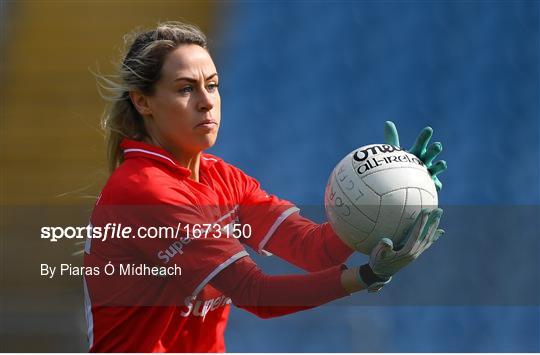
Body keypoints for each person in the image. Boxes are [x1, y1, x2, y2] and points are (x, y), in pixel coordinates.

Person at [83, 21, 447, 352]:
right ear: (142, 101)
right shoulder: (145, 192)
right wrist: (366, 275)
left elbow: (313, 249)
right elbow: (256, 295)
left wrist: (392, 197)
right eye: (185, 89)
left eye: (212, 85)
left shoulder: (222, 177)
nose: (206, 101)